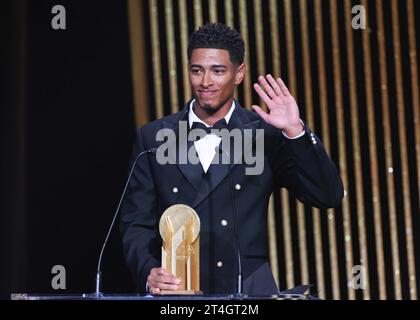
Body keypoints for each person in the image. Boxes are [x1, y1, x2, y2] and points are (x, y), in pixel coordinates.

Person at [120, 23, 343, 296]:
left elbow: (327, 195)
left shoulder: (263, 134)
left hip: (247, 289)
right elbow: (135, 223)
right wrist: (148, 272)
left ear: (239, 74)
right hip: (180, 291)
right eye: (196, 70)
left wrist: (295, 132)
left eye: (218, 71)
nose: (205, 82)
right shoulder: (154, 137)